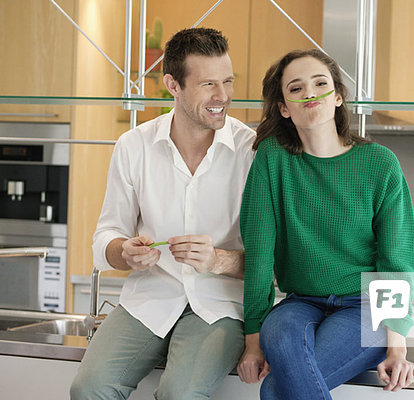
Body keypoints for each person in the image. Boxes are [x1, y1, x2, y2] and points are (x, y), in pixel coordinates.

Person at [70, 27, 255, 400]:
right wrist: (124, 251)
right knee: (88, 388)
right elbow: (106, 235)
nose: (223, 97)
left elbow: (273, 260)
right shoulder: (133, 146)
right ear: (173, 84)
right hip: (149, 299)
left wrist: (219, 260)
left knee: (179, 395)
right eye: (208, 85)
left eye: (228, 81)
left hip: (220, 306)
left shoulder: (252, 152)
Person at [236, 49, 414, 399]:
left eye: (320, 83)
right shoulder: (272, 160)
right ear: (284, 108)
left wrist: (397, 347)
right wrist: (252, 342)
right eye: (296, 87)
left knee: (275, 390)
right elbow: (259, 256)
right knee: (279, 334)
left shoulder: (379, 164)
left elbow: (396, 261)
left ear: (337, 97)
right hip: (298, 303)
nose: (310, 92)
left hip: (365, 309)